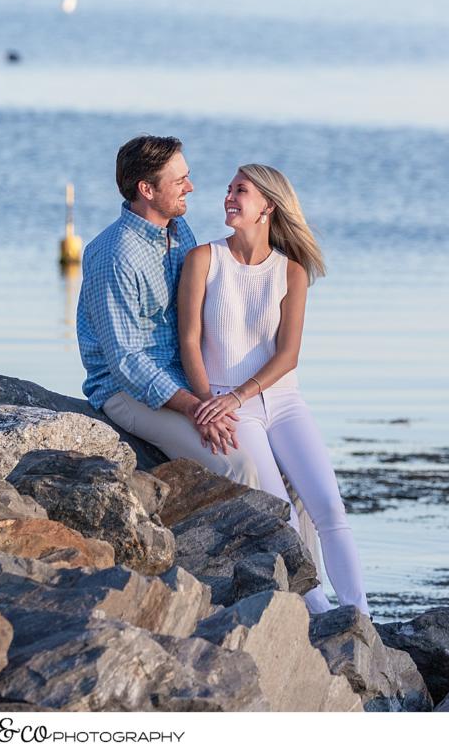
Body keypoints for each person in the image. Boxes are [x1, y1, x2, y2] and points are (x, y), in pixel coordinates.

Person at [177, 163, 370, 615]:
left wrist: (236, 397)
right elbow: (188, 340)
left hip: (282, 400)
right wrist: (211, 404)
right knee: (280, 511)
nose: (228, 197)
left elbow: (288, 355)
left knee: (329, 507)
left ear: (268, 205)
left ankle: (360, 615)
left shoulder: (293, 272)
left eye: (239, 190)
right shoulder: (204, 259)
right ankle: (320, 612)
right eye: (228, 189)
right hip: (230, 405)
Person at [76, 134, 259, 487]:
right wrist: (196, 408)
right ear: (147, 189)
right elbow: (127, 361)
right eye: (179, 181)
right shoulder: (115, 256)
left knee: (280, 462)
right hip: (128, 392)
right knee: (236, 467)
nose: (190, 187)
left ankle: (298, 545)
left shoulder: (178, 229)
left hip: (185, 377)